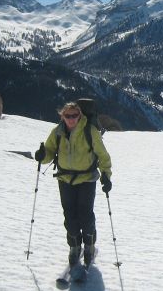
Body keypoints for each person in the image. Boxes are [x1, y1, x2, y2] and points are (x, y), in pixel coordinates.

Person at [34, 101, 112, 273]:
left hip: (87, 178)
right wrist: (41, 155)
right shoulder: (58, 132)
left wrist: (106, 175)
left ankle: (89, 245)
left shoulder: (89, 131)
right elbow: (49, 151)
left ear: (80, 116)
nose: (71, 119)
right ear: (62, 116)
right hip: (65, 179)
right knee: (69, 216)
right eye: (67, 116)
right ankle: (74, 247)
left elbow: (103, 155)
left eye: (74, 116)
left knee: (85, 214)